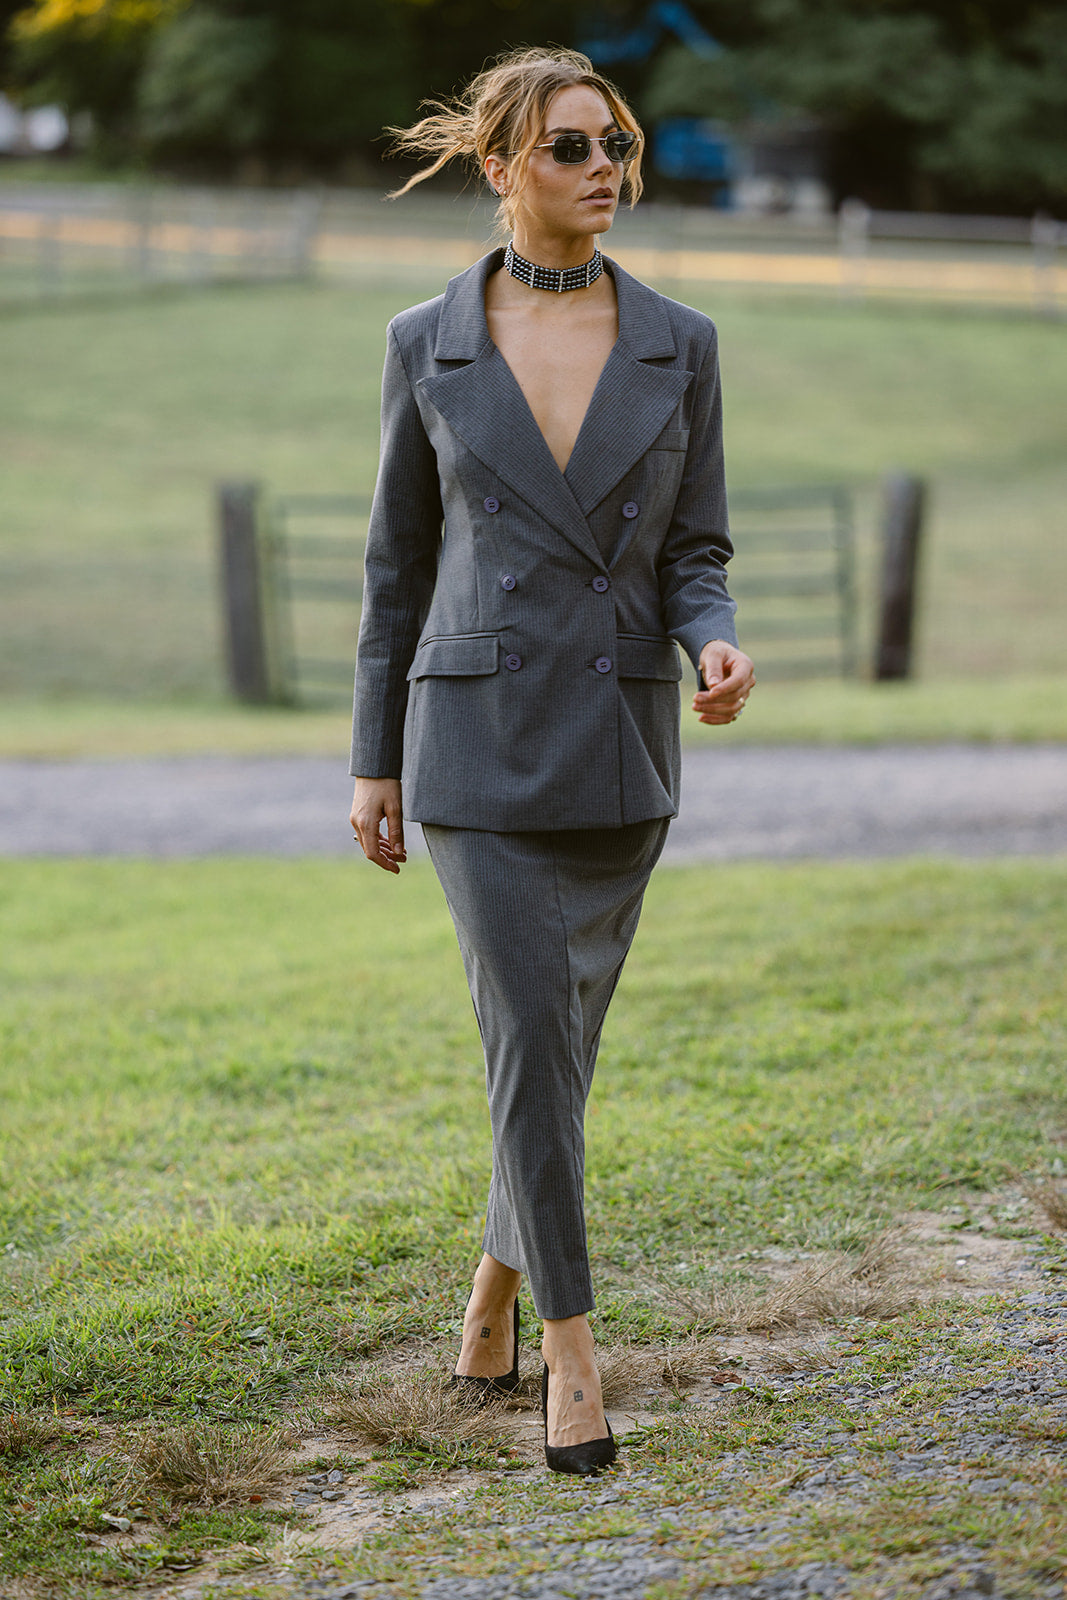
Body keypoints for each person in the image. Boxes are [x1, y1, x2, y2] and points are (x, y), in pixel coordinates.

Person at [349, 46, 755, 1476]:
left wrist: (713, 639)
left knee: (557, 1057)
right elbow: (398, 568)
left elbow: (695, 548)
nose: (607, 169)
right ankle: (573, 1363)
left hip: (622, 740)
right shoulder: (427, 339)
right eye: (574, 147)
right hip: (472, 746)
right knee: (531, 1037)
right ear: (502, 167)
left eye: (616, 144)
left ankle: (488, 1302)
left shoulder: (682, 340)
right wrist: (371, 759)